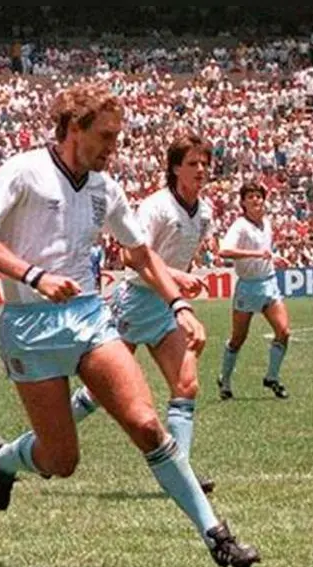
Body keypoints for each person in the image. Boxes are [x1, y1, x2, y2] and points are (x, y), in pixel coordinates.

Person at [0, 83, 259, 567]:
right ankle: (5, 461)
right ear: (73, 128)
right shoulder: (23, 171)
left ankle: (217, 537)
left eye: (117, 138)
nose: (112, 149)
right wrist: (33, 275)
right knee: (61, 460)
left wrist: (179, 304)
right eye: (105, 137)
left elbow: (140, 254)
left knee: (145, 424)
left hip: (88, 317)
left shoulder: (106, 188)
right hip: (28, 327)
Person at [64, 134, 217, 494]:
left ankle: (181, 472)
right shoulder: (156, 206)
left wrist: (181, 283)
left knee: (186, 384)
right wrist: (176, 278)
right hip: (134, 301)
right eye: (193, 163)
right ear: (176, 168)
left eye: (205, 164)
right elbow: (133, 257)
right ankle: (42, 436)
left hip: (165, 306)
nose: (201, 170)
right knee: (100, 393)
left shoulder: (205, 212)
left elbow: (179, 258)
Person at [216, 183, 291, 400]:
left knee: (284, 331)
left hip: (268, 283)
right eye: (250, 197)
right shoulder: (239, 226)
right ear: (243, 203)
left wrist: (276, 258)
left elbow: (266, 251)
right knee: (238, 339)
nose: (256, 200)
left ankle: (272, 377)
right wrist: (257, 254)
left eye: (259, 196)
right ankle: (226, 380)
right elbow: (224, 251)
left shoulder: (266, 223)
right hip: (248, 286)